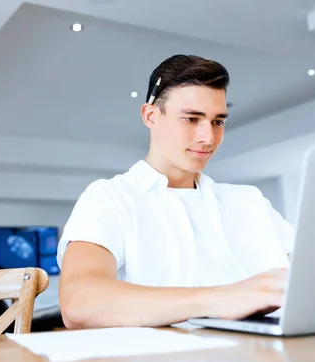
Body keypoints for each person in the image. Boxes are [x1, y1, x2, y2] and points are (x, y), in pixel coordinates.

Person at [56, 54, 294, 330]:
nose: (208, 138)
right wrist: (221, 299)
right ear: (151, 116)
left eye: (218, 121)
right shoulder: (110, 198)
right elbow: (79, 303)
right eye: (192, 119)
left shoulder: (251, 202)